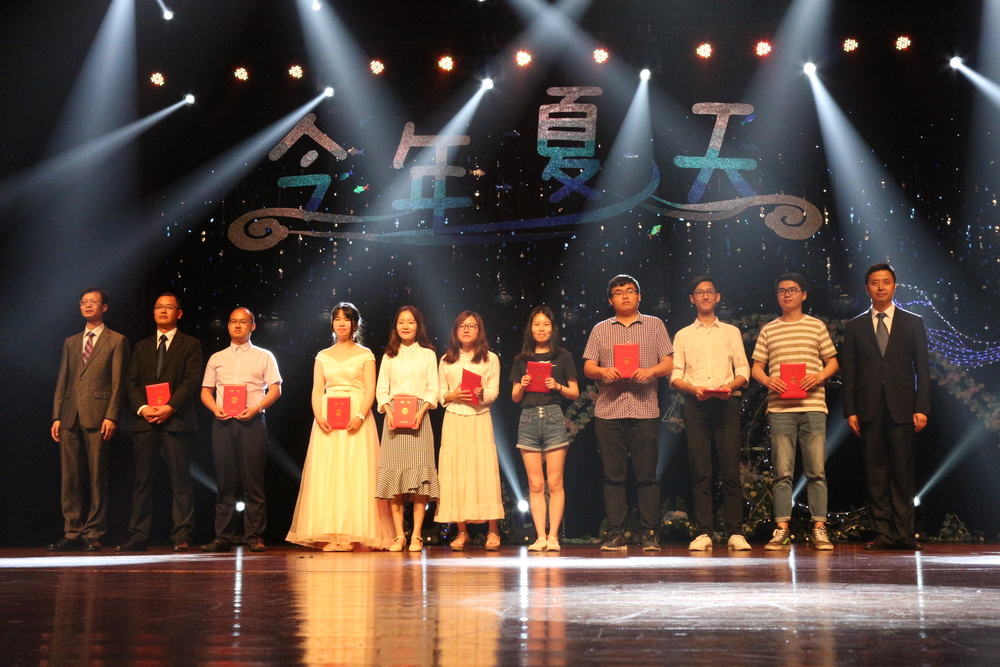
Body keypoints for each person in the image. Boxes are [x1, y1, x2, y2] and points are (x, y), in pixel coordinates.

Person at [286, 303, 394, 552]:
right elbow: (317, 390)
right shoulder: (322, 355)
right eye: (337, 319)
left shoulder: (366, 354)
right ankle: (331, 533)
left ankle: (353, 535)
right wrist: (318, 415)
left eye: (346, 319)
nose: (341, 323)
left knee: (355, 472)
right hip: (328, 418)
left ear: (355, 324)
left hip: (356, 416)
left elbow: (371, 389)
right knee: (329, 473)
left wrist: (360, 415)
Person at [842, 263, 930, 551]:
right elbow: (850, 372)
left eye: (886, 282)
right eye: (875, 282)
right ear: (866, 288)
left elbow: (922, 369)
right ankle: (882, 533)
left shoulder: (912, 322)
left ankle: (904, 533)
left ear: (894, 286)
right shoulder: (855, 326)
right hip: (868, 408)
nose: (880, 287)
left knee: (903, 472)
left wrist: (922, 407)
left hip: (903, 407)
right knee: (875, 472)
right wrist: (850, 410)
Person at [583, 274, 674, 552]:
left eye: (630, 291)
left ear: (639, 296)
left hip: (644, 408)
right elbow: (588, 367)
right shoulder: (600, 329)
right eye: (618, 292)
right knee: (613, 476)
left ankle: (650, 533)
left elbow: (668, 362)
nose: (625, 296)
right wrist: (603, 370)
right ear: (611, 300)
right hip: (609, 410)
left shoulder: (655, 325)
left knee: (647, 474)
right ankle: (616, 533)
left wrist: (650, 371)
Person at [751, 273, 839, 551]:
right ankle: (781, 529)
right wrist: (768, 381)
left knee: (817, 471)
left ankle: (819, 528)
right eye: (781, 290)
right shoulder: (769, 329)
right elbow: (756, 368)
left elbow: (833, 362)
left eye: (792, 290)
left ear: (804, 294)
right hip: (780, 409)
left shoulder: (816, 326)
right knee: (782, 472)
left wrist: (818, 376)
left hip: (813, 406)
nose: (787, 294)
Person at [670, 277, 752, 552]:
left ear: (718, 297)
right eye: (699, 293)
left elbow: (744, 370)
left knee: (731, 471)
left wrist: (730, 386)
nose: (705, 296)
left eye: (709, 292)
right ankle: (704, 532)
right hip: (696, 404)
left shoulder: (730, 332)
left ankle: (735, 532)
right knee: (700, 471)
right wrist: (693, 389)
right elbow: (675, 376)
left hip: (726, 403)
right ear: (692, 298)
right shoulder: (683, 335)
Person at [118, 293, 202, 553]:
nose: (163, 311)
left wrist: (169, 407)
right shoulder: (141, 346)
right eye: (159, 307)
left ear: (179, 313)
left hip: (176, 419)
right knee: (142, 480)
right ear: (153, 312)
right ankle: (138, 535)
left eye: (169, 307)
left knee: (181, 480)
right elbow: (131, 382)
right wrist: (143, 408)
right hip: (145, 421)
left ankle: (182, 535)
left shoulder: (191, 344)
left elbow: (191, 381)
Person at [49, 288, 130, 552]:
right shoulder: (71, 341)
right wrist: (57, 416)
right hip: (69, 415)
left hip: (98, 415)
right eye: (84, 302)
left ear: (104, 307)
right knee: (69, 478)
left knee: (97, 477)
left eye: (93, 302)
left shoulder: (117, 340)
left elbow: (118, 382)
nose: (88, 305)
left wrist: (111, 415)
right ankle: (72, 531)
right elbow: (62, 379)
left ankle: (93, 533)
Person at [200, 307, 282, 553]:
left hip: (252, 422)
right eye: (233, 321)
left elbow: (276, 389)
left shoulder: (264, 356)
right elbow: (206, 391)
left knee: (253, 482)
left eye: (243, 322)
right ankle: (222, 536)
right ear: (227, 325)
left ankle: (254, 536)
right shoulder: (217, 358)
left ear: (252, 326)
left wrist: (256, 408)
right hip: (223, 423)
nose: (237, 325)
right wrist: (215, 409)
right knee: (225, 482)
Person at [511, 306, 579, 552]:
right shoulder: (521, 360)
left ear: (552, 329)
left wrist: (557, 386)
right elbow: (515, 397)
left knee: (555, 483)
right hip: (528, 419)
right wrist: (522, 384)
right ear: (531, 328)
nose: (541, 329)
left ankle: (553, 537)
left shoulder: (563, 357)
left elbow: (574, 392)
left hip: (553, 416)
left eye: (546, 324)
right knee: (535, 484)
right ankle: (540, 536)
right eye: (537, 324)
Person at [435, 311, 504, 551]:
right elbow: (439, 392)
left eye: (472, 326)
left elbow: (494, 391)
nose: (466, 330)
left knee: (484, 471)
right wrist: (451, 395)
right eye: (462, 326)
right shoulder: (446, 359)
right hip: (454, 418)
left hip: (479, 417)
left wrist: (481, 393)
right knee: (457, 472)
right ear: (455, 331)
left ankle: (493, 530)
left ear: (479, 330)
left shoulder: (490, 359)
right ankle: (462, 531)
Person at [374, 306, 441, 553]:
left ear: (418, 326)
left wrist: (421, 412)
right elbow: (381, 390)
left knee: (419, 478)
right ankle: (399, 535)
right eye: (401, 322)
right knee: (395, 479)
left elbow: (433, 390)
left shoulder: (428, 355)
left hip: (420, 417)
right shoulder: (389, 356)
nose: (405, 326)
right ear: (396, 327)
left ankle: (417, 535)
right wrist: (389, 412)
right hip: (394, 419)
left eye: (410, 322)